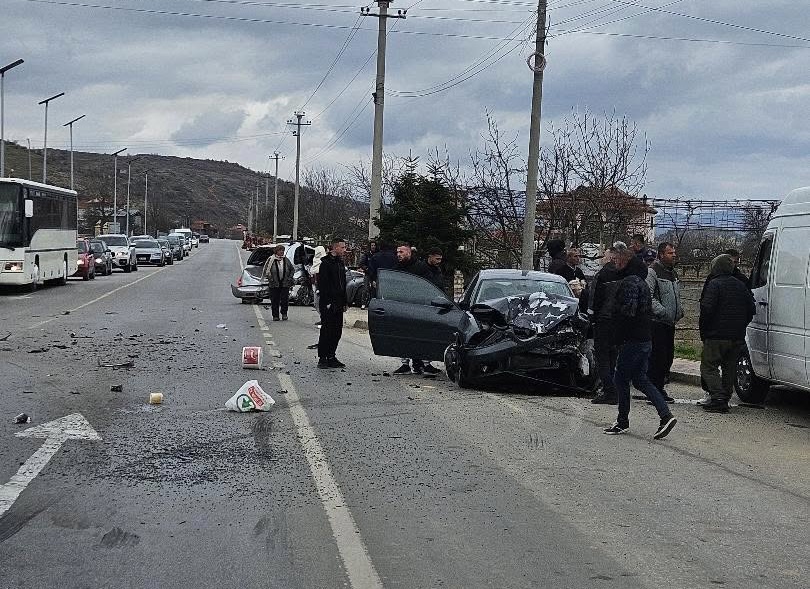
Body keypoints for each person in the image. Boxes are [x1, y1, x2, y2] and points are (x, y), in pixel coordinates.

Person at [603, 247, 678, 439]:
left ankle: (622, 421)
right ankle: (665, 415)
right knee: (640, 379)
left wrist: (615, 333)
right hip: (645, 337)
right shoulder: (642, 282)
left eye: (619, 260)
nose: (616, 263)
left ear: (627, 264)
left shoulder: (630, 282)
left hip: (632, 339)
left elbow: (628, 312)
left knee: (620, 378)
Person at [698, 254, 756, 412]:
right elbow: (752, 309)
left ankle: (717, 397)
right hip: (736, 336)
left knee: (709, 366)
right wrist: (741, 325)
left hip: (716, 335)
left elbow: (706, 309)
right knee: (729, 368)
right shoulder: (740, 285)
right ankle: (725, 397)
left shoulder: (714, 284)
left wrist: (704, 330)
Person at [393, 242, 439, 375]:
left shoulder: (421, 267)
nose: (398, 255)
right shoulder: (396, 268)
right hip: (403, 307)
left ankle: (425, 363)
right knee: (403, 336)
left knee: (422, 335)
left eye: (401, 252)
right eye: (397, 252)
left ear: (409, 252)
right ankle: (405, 364)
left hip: (420, 306)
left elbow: (430, 286)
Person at [645, 242, 683, 403]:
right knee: (658, 358)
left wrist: (679, 311)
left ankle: (659, 388)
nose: (673, 255)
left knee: (668, 357)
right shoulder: (653, 272)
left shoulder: (673, 273)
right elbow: (649, 296)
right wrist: (663, 312)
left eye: (674, 252)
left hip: (670, 323)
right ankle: (654, 391)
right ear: (661, 254)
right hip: (657, 322)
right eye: (670, 253)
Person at [588, 244, 623, 404]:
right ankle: (614, 389)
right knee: (613, 357)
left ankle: (608, 391)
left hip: (603, 321)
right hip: (617, 322)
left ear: (610, 258)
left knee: (602, 358)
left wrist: (592, 319)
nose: (602, 258)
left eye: (604, 255)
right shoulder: (623, 274)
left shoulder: (601, 275)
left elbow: (594, 300)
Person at [317, 237, 348, 369]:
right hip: (328, 302)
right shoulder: (326, 263)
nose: (344, 250)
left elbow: (343, 284)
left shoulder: (340, 263)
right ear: (335, 248)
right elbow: (323, 284)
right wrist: (327, 302)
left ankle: (331, 355)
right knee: (327, 330)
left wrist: (345, 301)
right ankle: (322, 358)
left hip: (339, 302)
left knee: (337, 331)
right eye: (342, 247)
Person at [262, 245, 294, 321]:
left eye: (283, 250)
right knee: (275, 300)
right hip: (274, 284)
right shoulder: (271, 260)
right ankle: (275, 315)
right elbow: (267, 271)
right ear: (276, 251)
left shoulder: (286, 260)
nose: (282, 252)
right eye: (280, 250)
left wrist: (289, 278)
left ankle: (284, 314)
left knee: (284, 300)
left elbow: (292, 269)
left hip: (285, 283)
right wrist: (271, 279)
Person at [358, 241, 377, 309]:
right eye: (372, 245)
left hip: (375, 275)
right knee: (365, 289)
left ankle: (372, 304)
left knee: (374, 289)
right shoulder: (366, 254)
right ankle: (363, 303)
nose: (373, 246)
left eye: (374, 245)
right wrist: (366, 268)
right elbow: (361, 264)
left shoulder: (377, 254)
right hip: (368, 274)